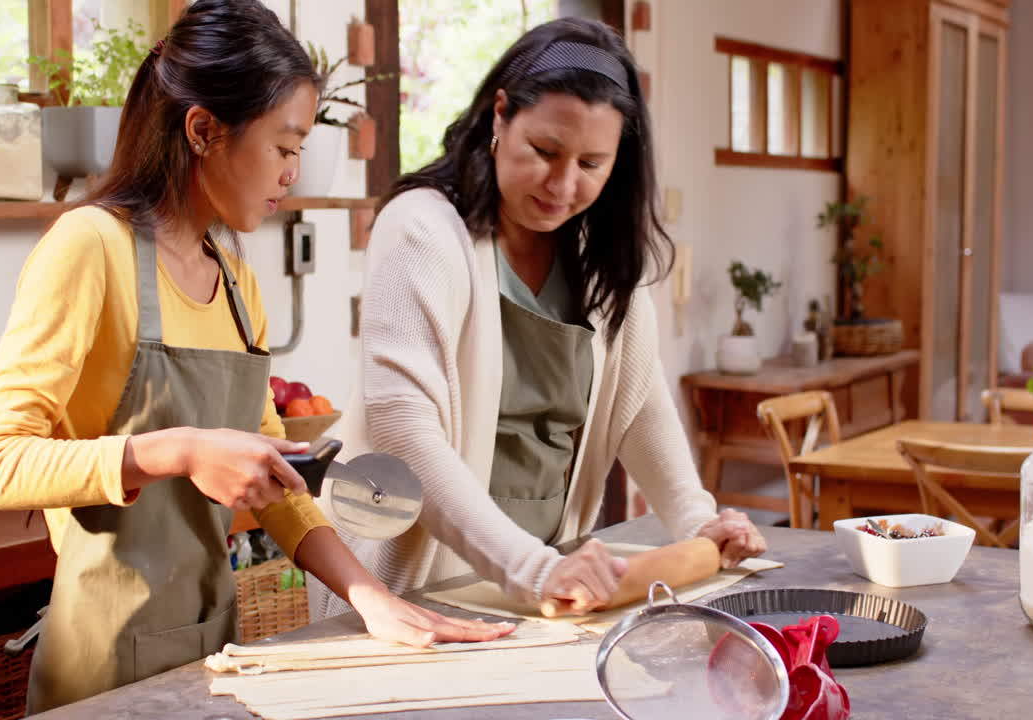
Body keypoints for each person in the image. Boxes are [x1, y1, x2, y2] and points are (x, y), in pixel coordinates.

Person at [0, 0, 510, 713]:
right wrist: (178, 449)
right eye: (283, 146)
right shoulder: (89, 246)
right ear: (203, 131)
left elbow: (277, 481)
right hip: (99, 670)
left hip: (212, 651)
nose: (293, 170)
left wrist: (370, 596)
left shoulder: (239, 282)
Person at [313, 17, 767, 620]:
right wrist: (532, 568)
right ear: (500, 117)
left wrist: (701, 521)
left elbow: (639, 407)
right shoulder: (422, 229)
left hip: (540, 591)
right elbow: (404, 428)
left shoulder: (597, 261)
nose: (563, 184)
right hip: (409, 592)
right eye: (546, 152)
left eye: (591, 164)